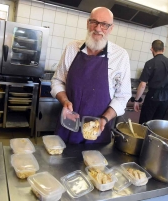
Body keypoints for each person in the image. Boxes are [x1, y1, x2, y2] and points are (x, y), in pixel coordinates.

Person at [51, 7, 131, 144]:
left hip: (97, 132)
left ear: (111, 28)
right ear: (88, 23)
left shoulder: (120, 56)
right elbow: (57, 81)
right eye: (94, 22)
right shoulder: (72, 48)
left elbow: (123, 96)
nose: (98, 28)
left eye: (105, 24)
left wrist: (104, 119)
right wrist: (65, 101)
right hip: (68, 125)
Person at [133, 40, 168, 124]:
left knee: (145, 123)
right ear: (163, 49)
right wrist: (167, 95)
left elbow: (143, 85)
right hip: (166, 98)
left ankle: (143, 137)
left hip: (152, 97)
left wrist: (136, 100)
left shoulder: (150, 63)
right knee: (157, 126)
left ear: (152, 49)